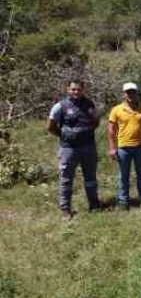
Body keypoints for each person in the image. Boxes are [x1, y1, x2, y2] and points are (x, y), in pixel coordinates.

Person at [46, 79, 100, 219]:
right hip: (68, 149)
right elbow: (50, 127)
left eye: (79, 89)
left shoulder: (89, 104)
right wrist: (64, 135)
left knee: (91, 178)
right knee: (66, 179)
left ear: (83, 90)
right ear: (67, 90)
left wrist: (84, 132)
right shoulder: (60, 106)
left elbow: (96, 121)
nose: (76, 92)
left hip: (88, 147)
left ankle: (94, 205)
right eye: (73, 89)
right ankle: (65, 209)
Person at [108, 82, 141, 210]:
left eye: (133, 92)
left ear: (137, 93)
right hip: (123, 148)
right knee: (124, 176)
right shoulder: (116, 110)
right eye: (128, 92)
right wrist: (112, 147)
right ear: (124, 94)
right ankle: (123, 202)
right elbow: (111, 129)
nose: (131, 94)